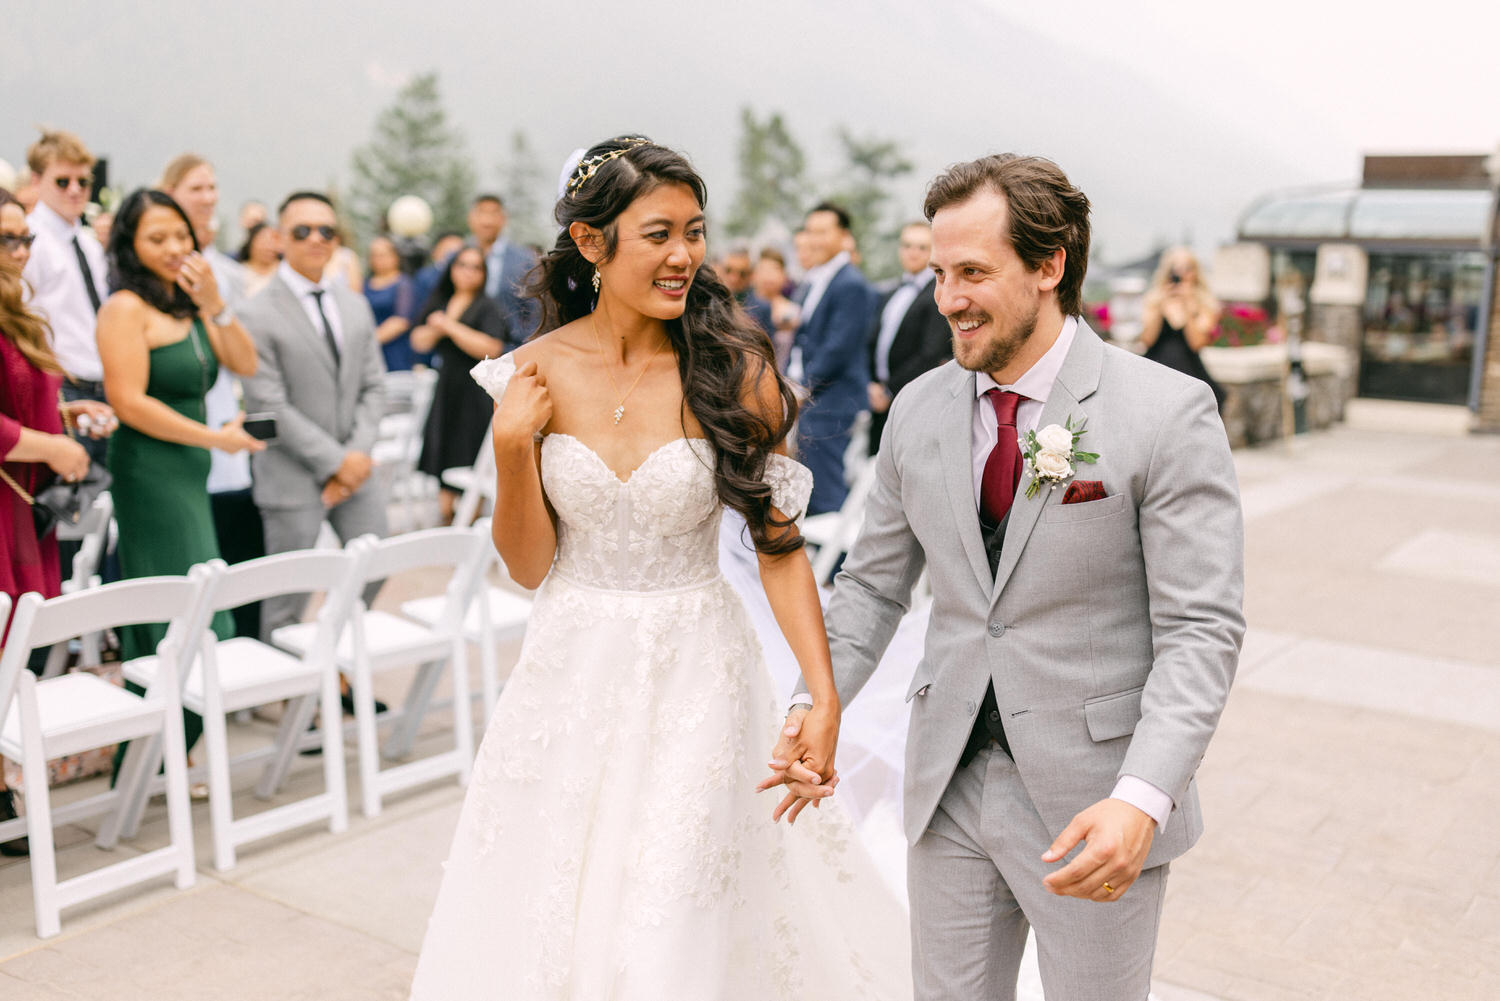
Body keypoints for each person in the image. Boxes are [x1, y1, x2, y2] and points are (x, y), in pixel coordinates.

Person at [409, 136, 909, 1000]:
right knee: (559, 898)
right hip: (570, 667)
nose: (684, 255)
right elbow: (528, 565)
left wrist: (820, 695)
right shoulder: (531, 373)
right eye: (658, 233)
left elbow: (779, 549)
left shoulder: (733, 371)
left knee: (671, 905)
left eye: (696, 231)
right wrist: (510, 447)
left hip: (699, 671)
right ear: (593, 244)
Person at [767, 154, 1245, 1000]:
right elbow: (873, 587)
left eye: (974, 272)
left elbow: (1200, 629)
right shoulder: (917, 408)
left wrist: (1143, 796)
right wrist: (817, 701)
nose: (948, 296)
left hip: (1094, 801)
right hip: (946, 779)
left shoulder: (1165, 412)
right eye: (941, 271)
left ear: (1050, 265)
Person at [97, 188, 263, 775]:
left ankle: (171, 753)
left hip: (192, 471)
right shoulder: (124, 308)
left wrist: (216, 303)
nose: (173, 248)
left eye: (180, 236)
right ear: (130, 245)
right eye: (155, 238)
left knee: (199, 607)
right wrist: (216, 439)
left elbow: (245, 363)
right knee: (179, 614)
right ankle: (149, 759)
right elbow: (128, 402)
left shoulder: (190, 304)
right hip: (150, 474)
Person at [238, 191, 388, 643]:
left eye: (327, 230)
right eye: (302, 231)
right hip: (290, 474)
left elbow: (373, 386)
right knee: (287, 597)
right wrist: (336, 463)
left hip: (355, 471)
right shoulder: (255, 312)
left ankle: (333, 656)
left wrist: (355, 458)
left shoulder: (354, 305)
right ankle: (282, 698)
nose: (316, 239)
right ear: (280, 238)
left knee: (376, 560)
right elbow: (268, 405)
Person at [161, 153, 268, 639]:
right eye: (195, 189)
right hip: (174, 434)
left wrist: (213, 304)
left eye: (211, 188)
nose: (207, 198)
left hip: (224, 419)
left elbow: (243, 361)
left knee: (235, 553)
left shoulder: (221, 272)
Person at [21, 130, 111, 470]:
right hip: (62, 385)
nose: (74, 190)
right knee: (64, 497)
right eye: (62, 181)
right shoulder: (29, 243)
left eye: (82, 181)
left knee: (96, 503)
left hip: (99, 384)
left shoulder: (87, 243)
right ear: (36, 180)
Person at [411, 245, 508, 524]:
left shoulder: (488, 306)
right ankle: (445, 516)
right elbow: (419, 340)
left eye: (476, 267)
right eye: (462, 265)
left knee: (468, 449)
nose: (468, 272)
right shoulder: (441, 299)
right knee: (443, 447)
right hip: (446, 385)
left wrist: (449, 326)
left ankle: (468, 520)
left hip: (474, 389)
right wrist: (437, 326)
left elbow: (491, 346)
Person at [791, 202, 876, 515]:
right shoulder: (816, 279)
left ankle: (838, 563)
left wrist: (802, 388)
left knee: (825, 493)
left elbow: (837, 348)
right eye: (811, 231)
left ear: (843, 236)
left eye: (823, 232)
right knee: (807, 488)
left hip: (832, 402)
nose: (815, 239)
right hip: (815, 399)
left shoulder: (850, 283)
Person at [865, 221, 947, 454]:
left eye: (922, 247)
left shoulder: (937, 293)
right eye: (907, 245)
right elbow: (873, 341)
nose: (913, 252)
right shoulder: (890, 292)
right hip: (877, 398)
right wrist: (871, 383)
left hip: (911, 399)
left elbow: (930, 353)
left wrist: (890, 390)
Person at [1138, 246, 1224, 408]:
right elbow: (1147, 339)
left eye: (1187, 268)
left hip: (1188, 369)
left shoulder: (1204, 303)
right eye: (1175, 268)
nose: (1181, 274)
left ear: (1196, 272)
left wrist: (1188, 307)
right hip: (1155, 368)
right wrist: (1162, 305)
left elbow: (1197, 343)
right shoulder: (1154, 299)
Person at [467, 193, 538, 338]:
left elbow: (534, 310)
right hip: (462, 345)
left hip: (509, 344)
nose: (487, 221)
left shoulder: (524, 260)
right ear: (471, 218)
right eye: (481, 213)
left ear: (504, 219)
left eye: (493, 214)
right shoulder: (457, 257)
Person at [364, 234, 420, 371]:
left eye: (383, 255)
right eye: (374, 255)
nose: (378, 260)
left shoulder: (403, 284)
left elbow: (401, 321)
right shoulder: (364, 284)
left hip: (394, 350)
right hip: (369, 351)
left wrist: (370, 342)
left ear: (395, 256)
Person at [752, 247, 800, 371]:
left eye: (774, 270)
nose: (769, 276)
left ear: (784, 275)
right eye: (764, 270)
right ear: (754, 274)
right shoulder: (743, 308)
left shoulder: (794, 311)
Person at [237, 221, 279, 296]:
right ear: (251, 244)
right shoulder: (238, 272)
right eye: (264, 242)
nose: (269, 247)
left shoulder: (284, 271)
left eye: (274, 242)